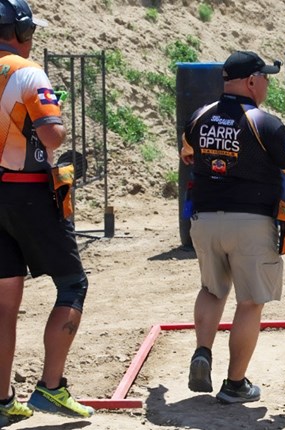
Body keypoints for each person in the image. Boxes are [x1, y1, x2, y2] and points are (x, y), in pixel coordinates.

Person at [180, 50, 285, 404]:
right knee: (249, 303)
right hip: (251, 222)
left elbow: (187, 152)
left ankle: (203, 350)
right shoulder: (265, 122)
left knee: (212, 290)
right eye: (265, 78)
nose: (266, 84)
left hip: (203, 219)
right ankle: (235, 384)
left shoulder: (200, 116)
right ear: (251, 81)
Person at [0, 0, 95, 426]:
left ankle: (3, 402)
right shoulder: (26, 71)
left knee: (4, 303)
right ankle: (51, 388)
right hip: (29, 194)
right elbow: (53, 137)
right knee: (72, 284)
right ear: (18, 30)